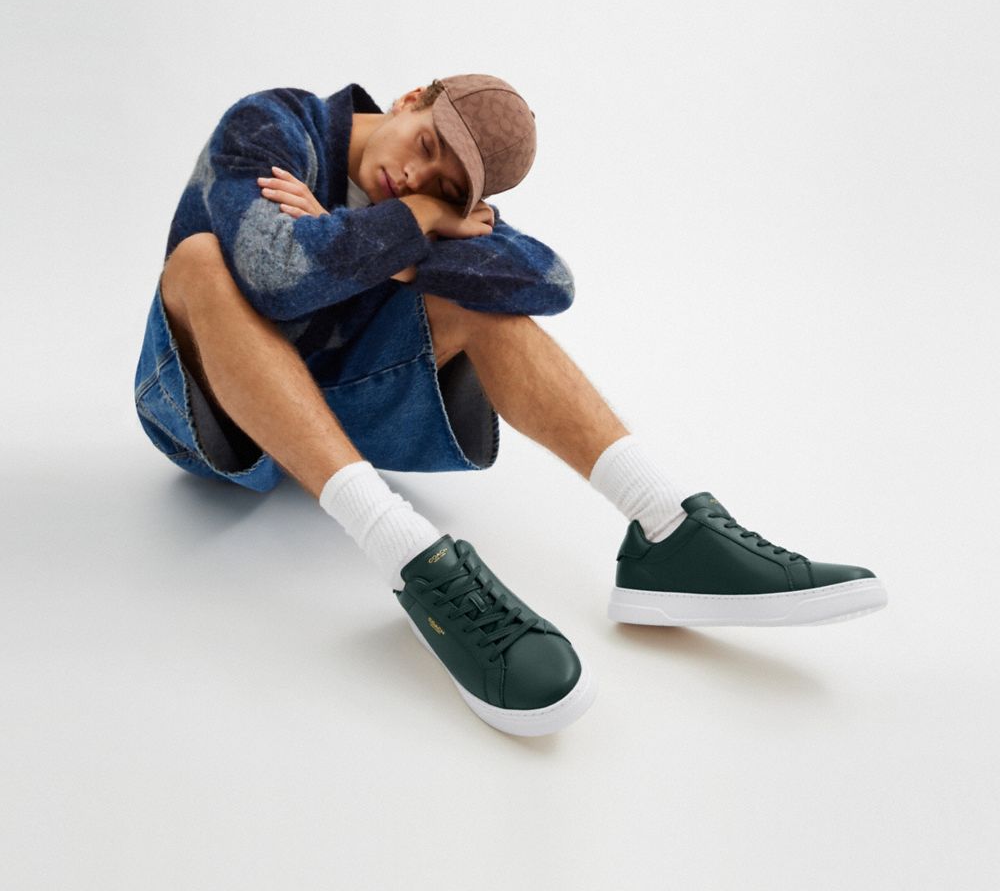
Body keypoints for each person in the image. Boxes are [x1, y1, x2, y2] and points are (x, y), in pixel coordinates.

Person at [133, 74, 888, 737]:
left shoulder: (434, 201)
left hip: (340, 402)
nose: (415, 177)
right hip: (212, 414)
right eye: (426, 144)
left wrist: (369, 244)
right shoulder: (274, 123)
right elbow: (273, 275)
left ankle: (667, 527)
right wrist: (416, 222)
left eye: (446, 189)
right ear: (410, 98)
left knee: (487, 304)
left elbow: (547, 280)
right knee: (201, 262)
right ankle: (413, 559)